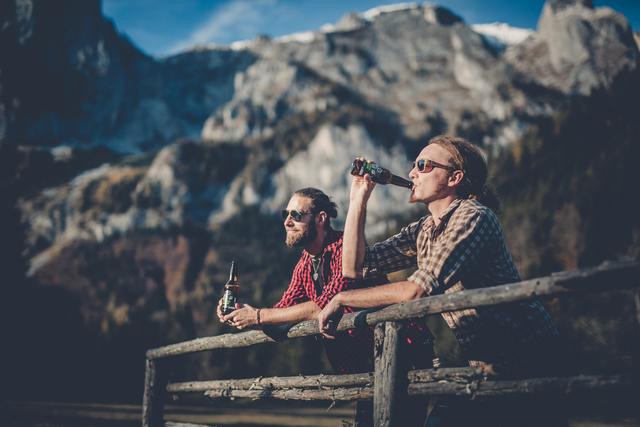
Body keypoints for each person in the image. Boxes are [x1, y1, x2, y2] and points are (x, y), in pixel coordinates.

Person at [318, 135, 563, 426]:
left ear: (455, 178)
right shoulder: (423, 229)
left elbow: (416, 291)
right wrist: (358, 196)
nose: (411, 173)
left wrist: (343, 298)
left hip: (529, 357)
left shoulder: (473, 217)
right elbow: (355, 267)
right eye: (413, 166)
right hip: (485, 365)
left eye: (423, 165)